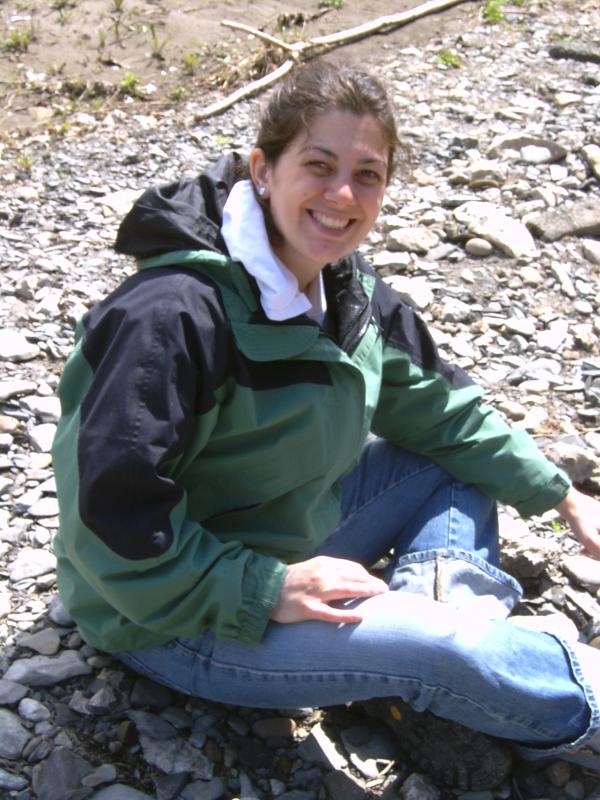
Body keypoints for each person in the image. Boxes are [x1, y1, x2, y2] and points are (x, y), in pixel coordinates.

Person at [51, 60, 600, 790]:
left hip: (285, 534)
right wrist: (262, 587)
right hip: (171, 612)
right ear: (262, 169)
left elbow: (442, 411)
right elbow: (107, 522)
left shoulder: (346, 288)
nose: (343, 196)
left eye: (367, 174)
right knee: (445, 647)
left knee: (446, 466)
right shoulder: (172, 315)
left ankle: (442, 672)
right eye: (319, 165)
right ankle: (488, 675)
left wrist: (563, 496)